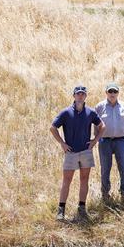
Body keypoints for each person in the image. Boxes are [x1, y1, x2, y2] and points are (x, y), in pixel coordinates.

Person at [50, 85, 106, 222]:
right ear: (74, 96)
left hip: (85, 151)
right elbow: (52, 128)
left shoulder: (90, 112)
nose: (80, 96)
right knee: (66, 181)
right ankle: (61, 210)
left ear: (85, 96)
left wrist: (94, 141)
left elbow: (102, 126)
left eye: (83, 94)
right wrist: (62, 143)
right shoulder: (66, 112)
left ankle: (82, 208)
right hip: (71, 152)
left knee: (84, 179)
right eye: (78, 94)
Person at [94, 82, 124, 206]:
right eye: (110, 91)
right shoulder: (99, 107)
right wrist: (98, 138)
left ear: (118, 93)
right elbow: (96, 125)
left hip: (121, 140)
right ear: (106, 93)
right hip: (105, 141)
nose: (112, 94)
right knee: (105, 168)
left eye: (115, 92)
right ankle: (105, 194)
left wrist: (122, 135)